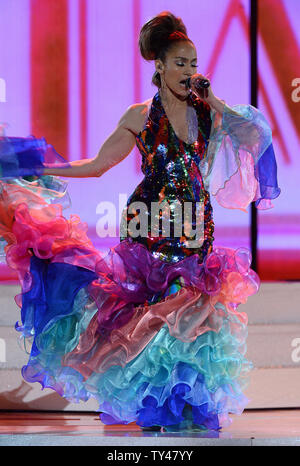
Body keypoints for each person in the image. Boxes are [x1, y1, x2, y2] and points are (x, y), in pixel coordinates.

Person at [0, 11, 280, 432]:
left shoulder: (209, 114)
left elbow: (255, 135)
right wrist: (44, 169)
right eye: (180, 63)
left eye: (193, 63)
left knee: (192, 315)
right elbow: (97, 166)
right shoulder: (139, 115)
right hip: (148, 226)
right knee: (149, 318)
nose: (189, 71)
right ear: (160, 66)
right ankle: (154, 408)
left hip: (193, 225)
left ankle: (181, 406)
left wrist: (216, 100)